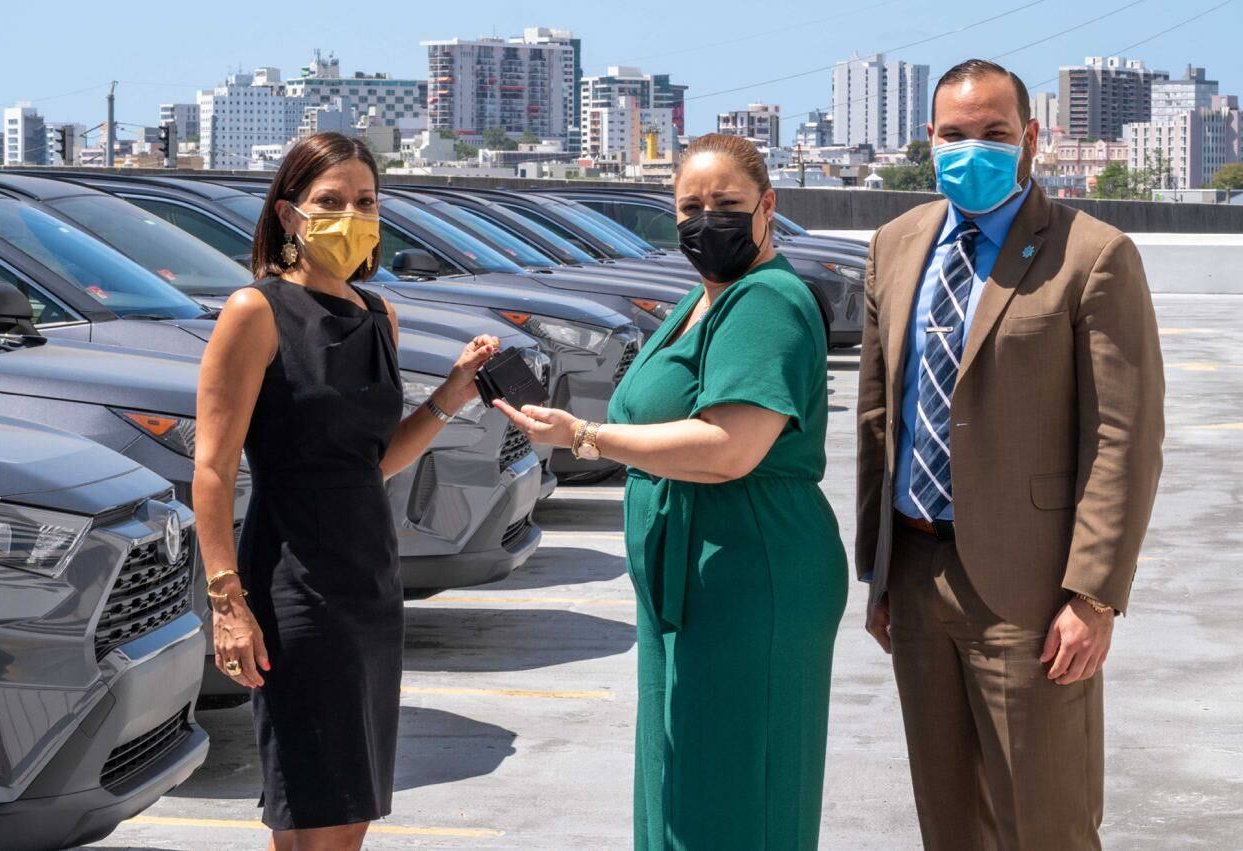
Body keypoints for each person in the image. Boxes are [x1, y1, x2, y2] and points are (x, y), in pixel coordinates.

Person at [497, 133, 847, 849]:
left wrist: (585, 436)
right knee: (681, 788)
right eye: (690, 206)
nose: (706, 220)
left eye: (726, 204)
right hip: (690, 579)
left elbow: (729, 448)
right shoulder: (704, 299)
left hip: (746, 572)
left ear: (768, 206)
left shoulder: (765, 301)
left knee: (733, 799)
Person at [856, 60, 1165, 849]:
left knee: (1045, 824)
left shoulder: (1093, 255)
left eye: (994, 133)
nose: (973, 149)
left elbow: (1123, 440)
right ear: (930, 139)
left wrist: (1094, 596)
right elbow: (878, 417)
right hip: (917, 575)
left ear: (1030, 138)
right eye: (955, 135)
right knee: (949, 822)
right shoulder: (895, 247)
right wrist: (879, 572)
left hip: (1032, 594)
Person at [192, 132, 498, 851]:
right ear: (288, 213)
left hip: (370, 584)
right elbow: (212, 468)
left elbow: (373, 462)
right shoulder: (255, 311)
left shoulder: (378, 315)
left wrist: (451, 394)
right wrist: (227, 601)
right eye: (330, 201)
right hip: (294, 584)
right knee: (310, 808)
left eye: (365, 201)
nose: (350, 216)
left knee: (352, 806)